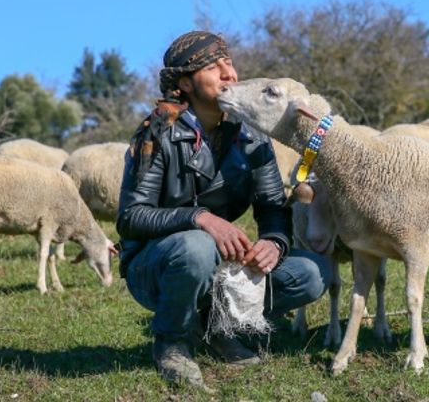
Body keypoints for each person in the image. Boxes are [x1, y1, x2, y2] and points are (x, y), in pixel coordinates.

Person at [117, 31, 331, 388]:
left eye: (228, 63)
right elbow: (130, 218)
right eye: (213, 68)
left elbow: (272, 209)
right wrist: (199, 218)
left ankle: (216, 330)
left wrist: (275, 243)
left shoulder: (251, 134)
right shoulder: (158, 132)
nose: (229, 73)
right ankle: (171, 342)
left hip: (219, 263)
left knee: (312, 272)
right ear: (184, 83)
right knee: (196, 246)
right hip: (155, 265)